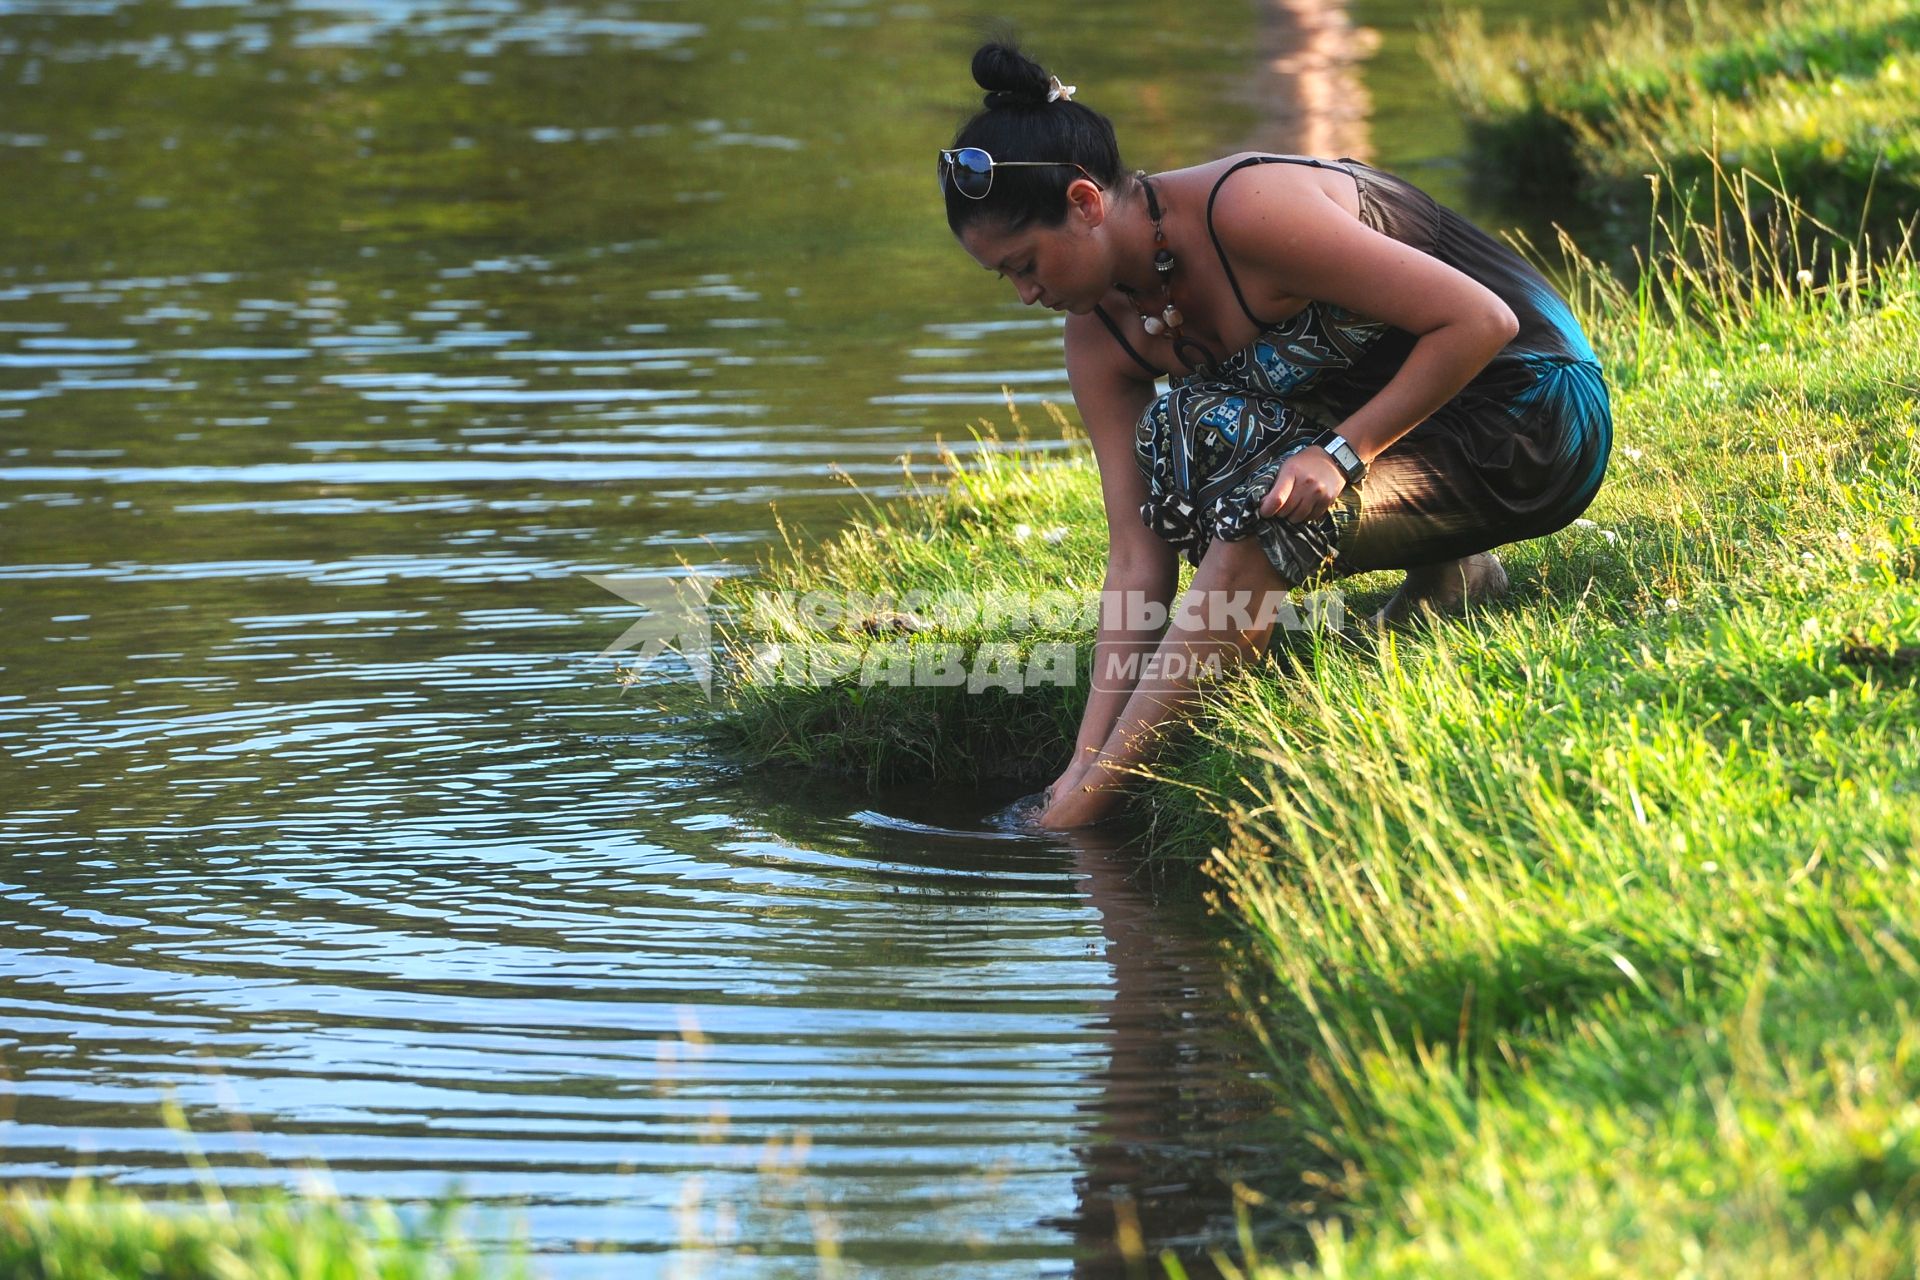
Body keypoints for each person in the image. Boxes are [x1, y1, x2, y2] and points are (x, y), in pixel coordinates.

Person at [937, 43, 1612, 830]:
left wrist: (1341, 452)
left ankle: (1090, 815)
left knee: (1260, 518)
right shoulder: (1098, 335)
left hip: (1534, 411)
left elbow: (1481, 321)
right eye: (1005, 278)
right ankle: (1453, 578)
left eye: (1025, 264)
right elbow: (1136, 551)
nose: (1024, 295)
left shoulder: (1244, 210)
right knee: (1187, 444)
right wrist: (1080, 752)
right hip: (1426, 435)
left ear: (1085, 203)